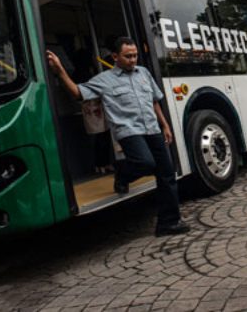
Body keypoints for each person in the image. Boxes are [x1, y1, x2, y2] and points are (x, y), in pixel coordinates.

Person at [46, 36, 190, 237]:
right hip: (129, 131)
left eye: (135, 56)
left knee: (167, 173)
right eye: (128, 56)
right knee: (147, 164)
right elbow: (78, 93)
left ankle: (169, 222)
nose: (133, 60)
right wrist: (60, 70)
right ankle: (122, 173)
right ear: (115, 57)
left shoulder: (144, 73)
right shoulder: (104, 80)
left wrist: (165, 125)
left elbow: (154, 101)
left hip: (152, 129)